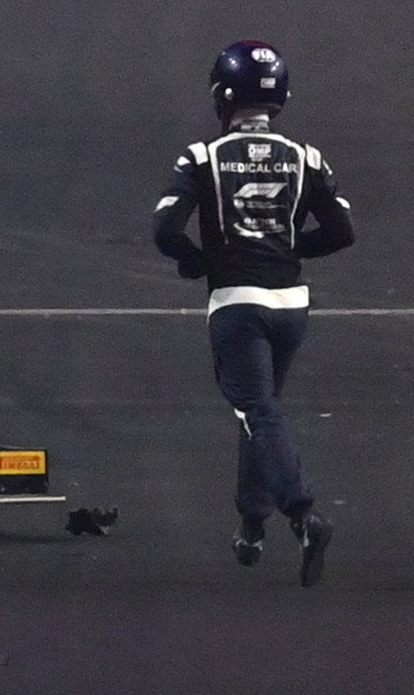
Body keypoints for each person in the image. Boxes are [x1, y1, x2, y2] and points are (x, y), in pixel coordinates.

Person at [152, 40, 354, 582]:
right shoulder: (307, 157)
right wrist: (289, 248)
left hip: (238, 307)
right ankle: (251, 526)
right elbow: (342, 232)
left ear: (222, 96)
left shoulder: (201, 157)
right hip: (292, 306)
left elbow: (165, 230)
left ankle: (302, 514)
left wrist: (199, 261)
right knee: (259, 413)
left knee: (258, 412)